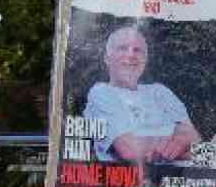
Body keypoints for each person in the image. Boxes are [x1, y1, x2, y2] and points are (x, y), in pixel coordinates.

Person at [84, 24, 200, 164]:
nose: (131, 55)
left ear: (145, 60)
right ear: (107, 58)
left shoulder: (160, 92)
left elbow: (197, 142)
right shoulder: (101, 93)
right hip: (136, 176)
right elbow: (130, 150)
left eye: (137, 50)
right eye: (122, 48)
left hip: (187, 175)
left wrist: (150, 142)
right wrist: (180, 142)